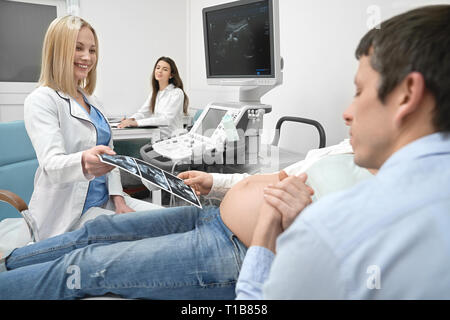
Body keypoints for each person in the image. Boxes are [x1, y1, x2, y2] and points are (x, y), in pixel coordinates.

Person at [235, 5, 450, 299]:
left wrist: (265, 234)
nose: (347, 113)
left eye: (360, 91)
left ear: (407, 94)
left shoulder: (336, 229)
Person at [0, 138, 374, 299]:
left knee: (84, 265)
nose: (348, 111)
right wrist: (215, 182)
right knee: (99, 228)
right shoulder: (346, 147)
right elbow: (273, 179)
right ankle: (8, 263)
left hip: (237, 253)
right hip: (211, 217)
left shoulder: (390, 190)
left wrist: (305, 222)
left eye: (363, 91)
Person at [22, 15, 161, 241]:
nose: (87, 57)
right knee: (152, 240)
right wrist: (84, 162)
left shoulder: (93, 102)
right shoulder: (41, 100)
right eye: (78, 48)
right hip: (71, 215)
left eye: (92, 50)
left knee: (175, 220)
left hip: (107, 202)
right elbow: (51, 165)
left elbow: (111, 157)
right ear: (57, 51)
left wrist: (118, 199)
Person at [117, 56, 189, 140]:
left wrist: (136, 123)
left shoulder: (176, 93)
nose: (160, 71)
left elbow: (166, 120)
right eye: (158, 68)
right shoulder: (155, 93)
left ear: (171, 75)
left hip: (173, 140)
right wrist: (130, 119)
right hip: (157, 138)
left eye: (165, 69)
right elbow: (143, 112)